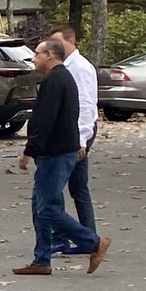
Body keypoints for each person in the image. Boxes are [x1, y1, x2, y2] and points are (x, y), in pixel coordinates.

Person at [14, 38, 107, 275]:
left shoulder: (56, 80)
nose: (33, 58)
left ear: (49, 55)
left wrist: (29, 149)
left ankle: (92, 242)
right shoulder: (62, 77)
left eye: (36, 54)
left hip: (55, 154)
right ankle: (42, 260)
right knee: (39, 206)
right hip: (58, 151)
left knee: (47, 208)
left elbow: (45, 119)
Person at [53, 24, 100, 236]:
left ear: (71, 42)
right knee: (75, 186)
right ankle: (86, 234)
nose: (55, 47)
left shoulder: (80, 68)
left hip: (79, 131)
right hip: (70, 130)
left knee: (64, 185)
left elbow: (87, 105)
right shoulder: (64, 67)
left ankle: (79, 235)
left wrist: (81, 140)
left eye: (59, 43)